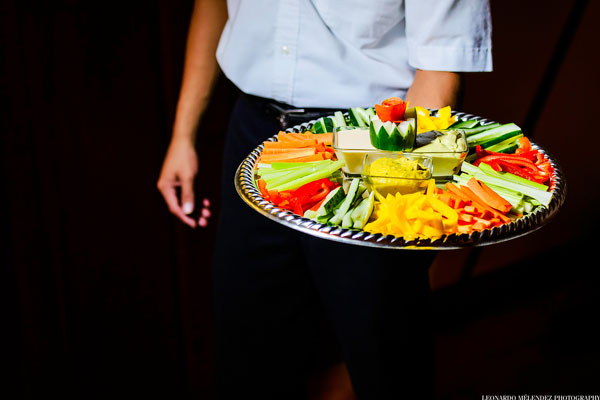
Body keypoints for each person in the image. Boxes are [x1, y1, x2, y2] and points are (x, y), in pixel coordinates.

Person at [157, 1, 492, 399]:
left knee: (384, 358)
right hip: (254, 133)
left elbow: (439, 69)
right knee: (245, 352)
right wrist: (182, 136)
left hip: (374, 142)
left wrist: (398, 192)